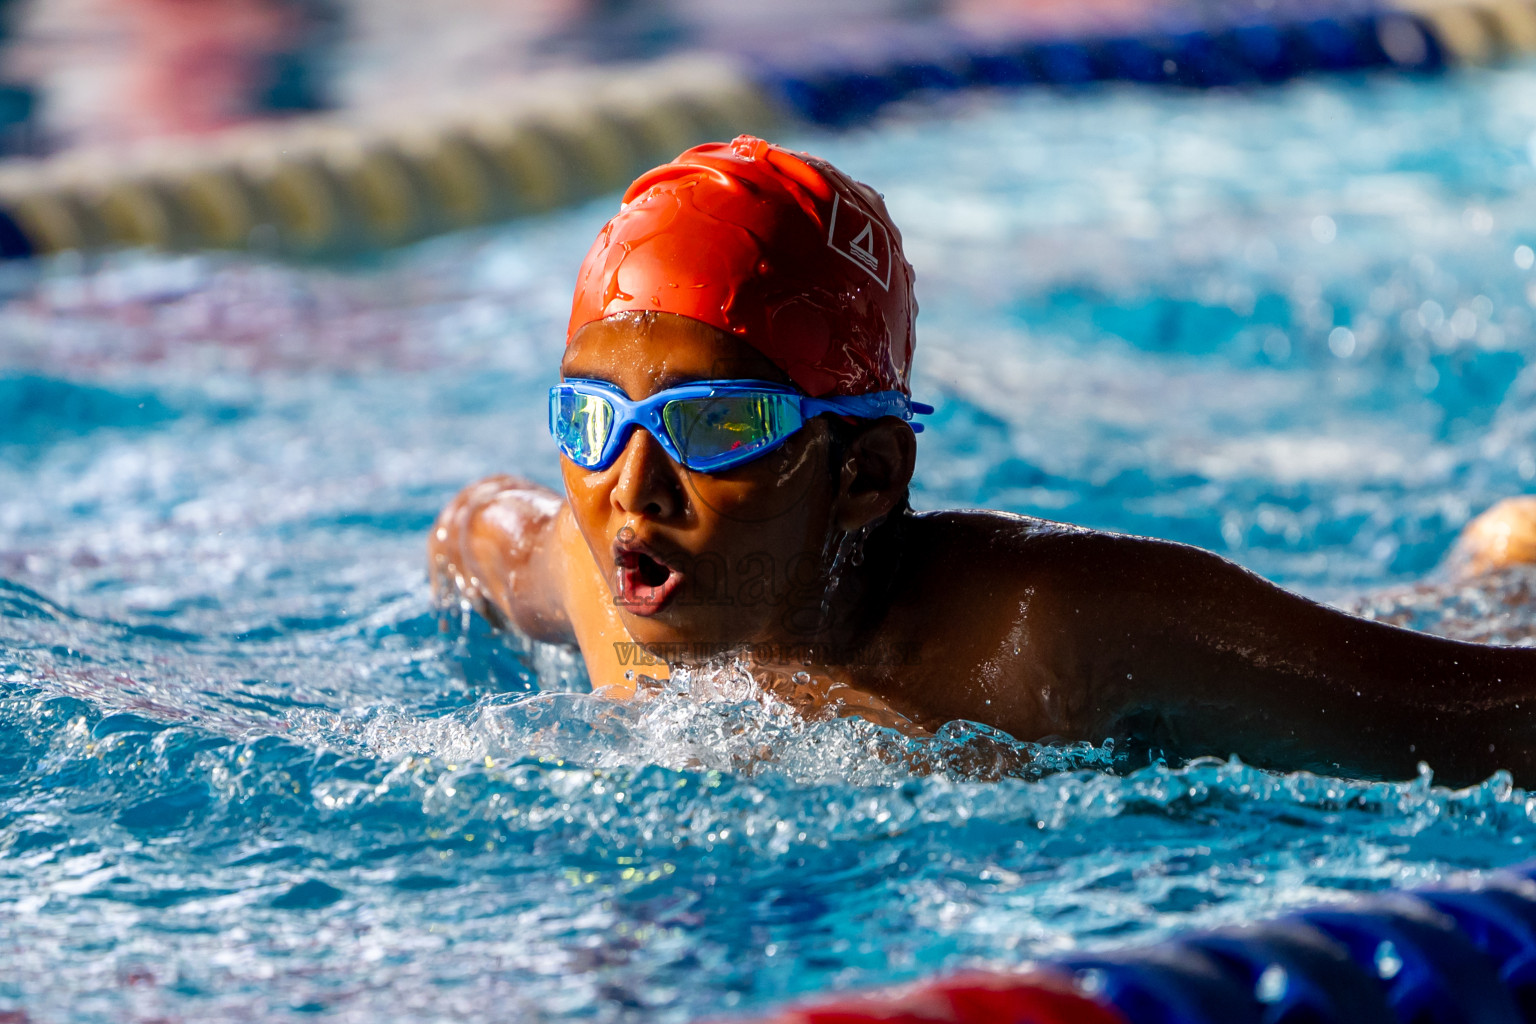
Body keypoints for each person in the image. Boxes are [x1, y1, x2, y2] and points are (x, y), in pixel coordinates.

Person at [429, 134, 1536, 787]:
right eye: (587, 418)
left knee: (1411, 640)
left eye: (717, 425)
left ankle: (1499, 578)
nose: (630, 482)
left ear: (865, 475)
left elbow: (1470, 720)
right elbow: (473, 528)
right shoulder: (598, 581)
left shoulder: (1045, 631)